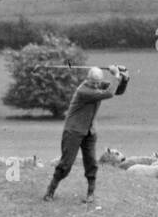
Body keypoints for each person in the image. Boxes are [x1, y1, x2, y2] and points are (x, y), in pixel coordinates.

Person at [44, 64, 130, 203]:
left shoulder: (96, 85)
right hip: (73, 131)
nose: (97, 85)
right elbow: (109, 93)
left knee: (91, 163)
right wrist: (116, 76)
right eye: (94, 83)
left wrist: (125, 78)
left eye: (98, 82)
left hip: (89, 131)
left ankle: (90, 194)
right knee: (66, 164)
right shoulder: (84, 91)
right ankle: (50, 190)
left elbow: (117, 90)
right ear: (88, 80)